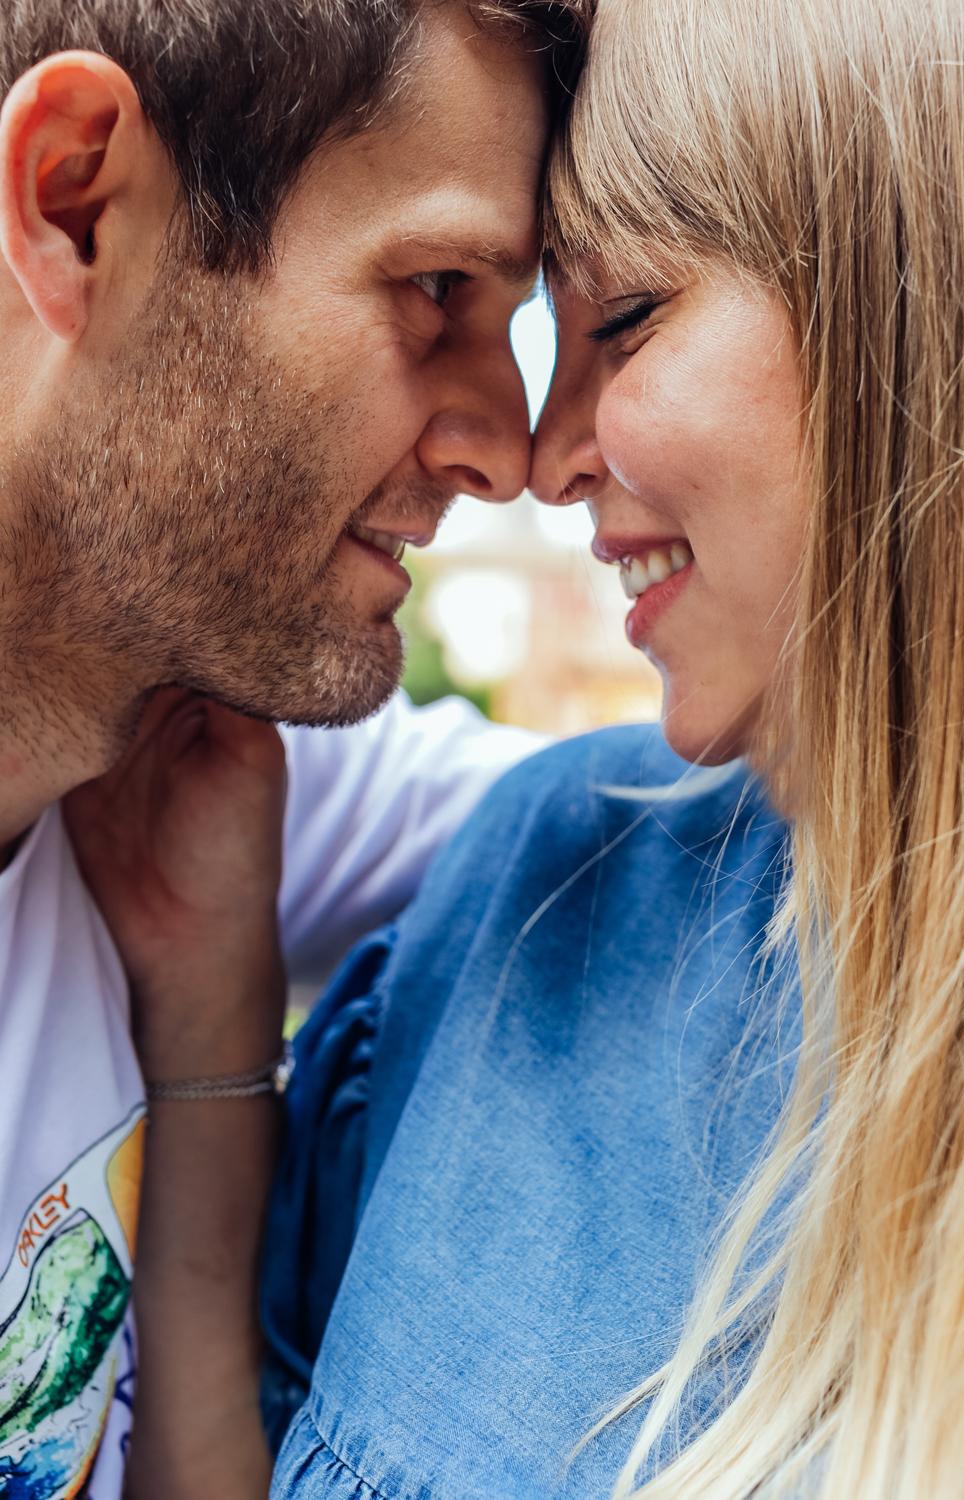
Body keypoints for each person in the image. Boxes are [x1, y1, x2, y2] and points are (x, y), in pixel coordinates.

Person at [79, 0, 964, 1495]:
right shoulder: (546, 881)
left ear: (919, 302)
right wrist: (207, 1037)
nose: (534, 455)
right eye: (452, 296)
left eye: (625, 318)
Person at [0, 2, 590, 1497]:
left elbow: (696, 833)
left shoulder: (196, 769)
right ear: (75, 204)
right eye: (436, 288)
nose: (509, 450)